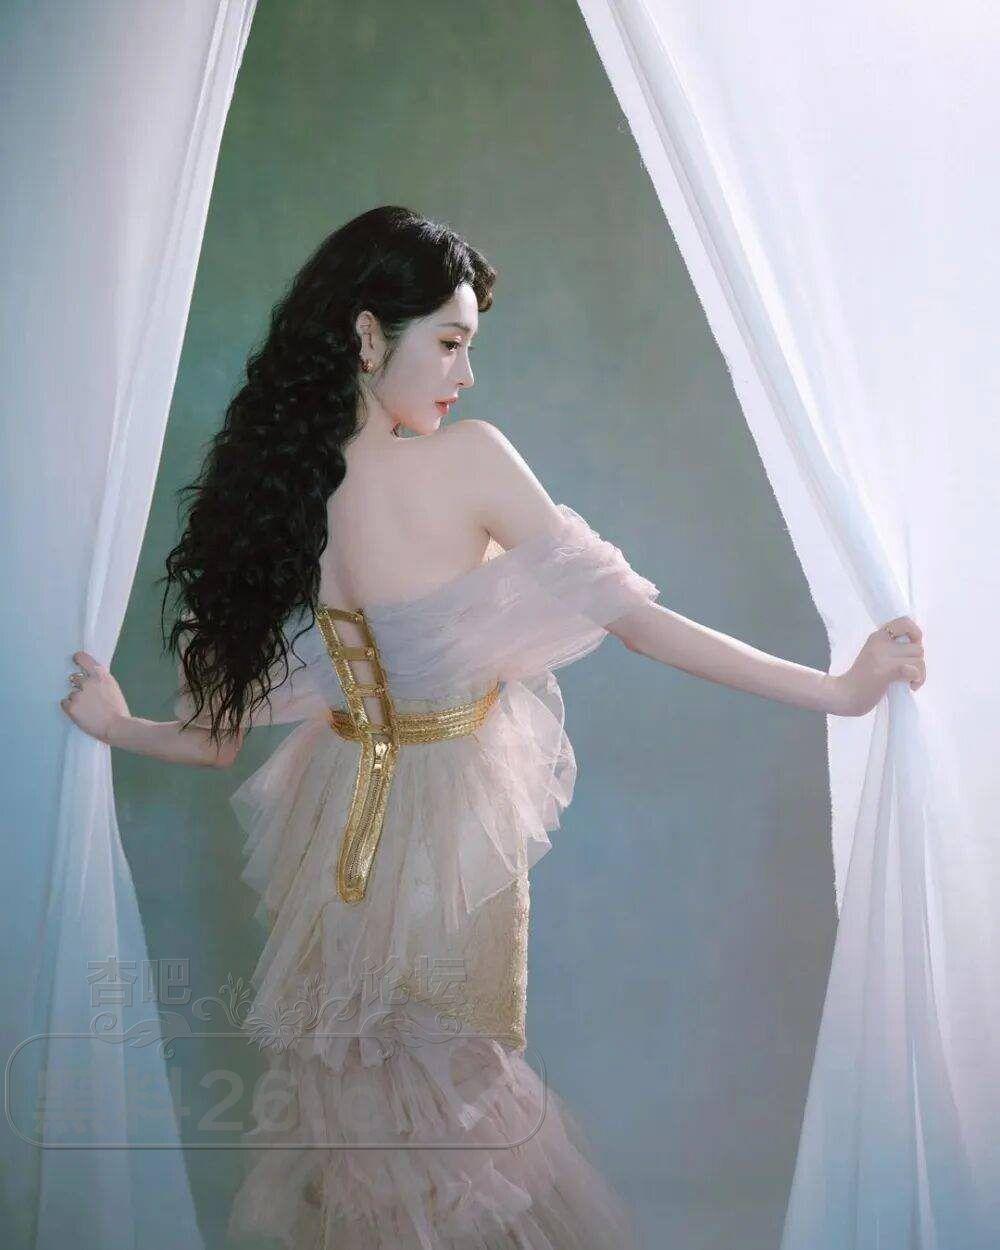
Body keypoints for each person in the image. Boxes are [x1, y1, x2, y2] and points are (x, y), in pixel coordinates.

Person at [60, 205, 926, 1249]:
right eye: (449, 343)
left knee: (365, 1103)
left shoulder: (281, 492)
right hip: (441, 823)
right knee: (454, 1106)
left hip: (336, 824)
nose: (466, 375)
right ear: (367, 335)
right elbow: (638, 623)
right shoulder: (470, 459)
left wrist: (117, 724)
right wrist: (835, 689)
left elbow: (212, 741)